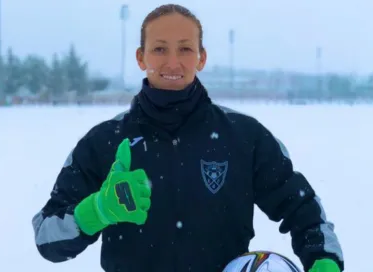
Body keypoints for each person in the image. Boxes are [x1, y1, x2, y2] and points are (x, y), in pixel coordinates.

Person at [32, 4, 344, 272]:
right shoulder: (104, 142)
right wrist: (98, 210)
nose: (172, 62)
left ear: (201, 57)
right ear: (141, 57)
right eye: (159, 49)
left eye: (184, 48)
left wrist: (324, 259)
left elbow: (304, 211)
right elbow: (47, 237)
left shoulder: (245, 136)